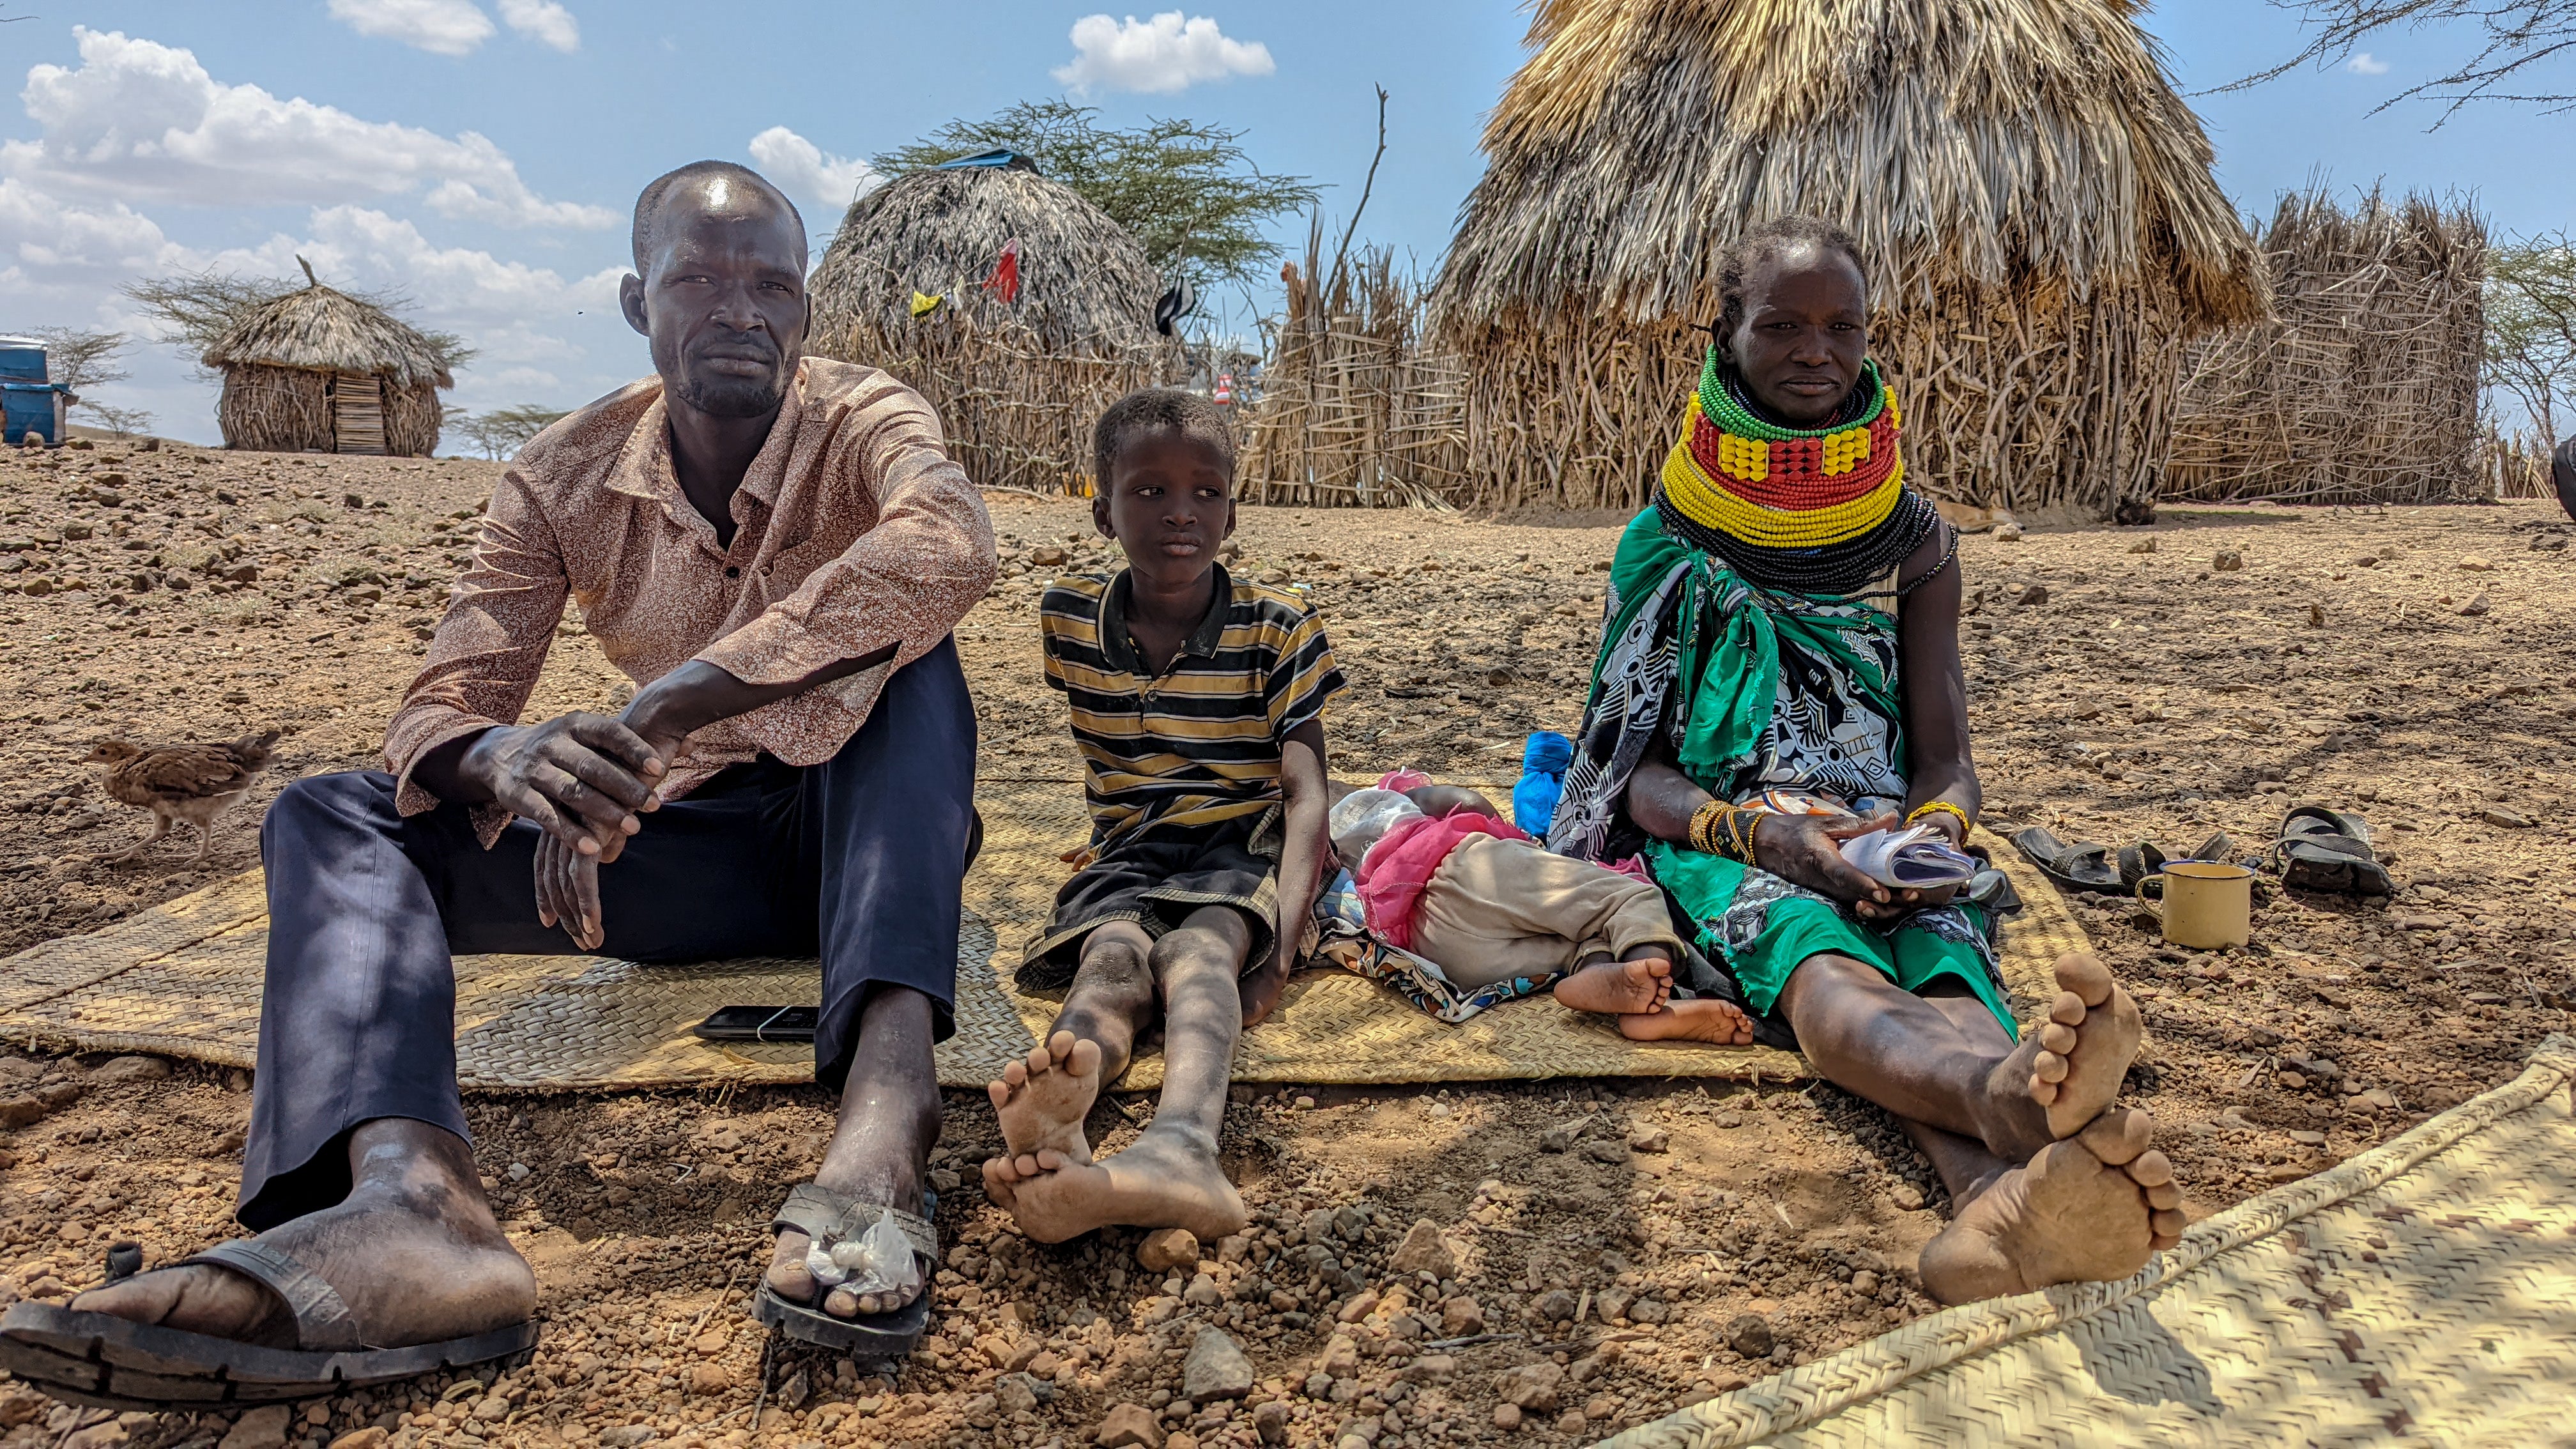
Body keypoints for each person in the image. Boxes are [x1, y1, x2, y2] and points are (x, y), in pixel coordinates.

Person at [24, 161, 995, 1392]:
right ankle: (414, 1203)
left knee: (914, 652)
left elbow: (952, 538)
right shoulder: (561, 472)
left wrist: (675, 695)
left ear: (806, 311)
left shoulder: (865, 420)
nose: (740, 309)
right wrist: (517, 760)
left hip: (861, 852)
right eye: (700, 278)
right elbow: (443, 702)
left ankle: (885, 1128)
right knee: (328, 809)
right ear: (638, 298)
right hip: (657, 854)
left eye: (772, 284)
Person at [1547, 216, 2184, 1303]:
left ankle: (1988, 1196)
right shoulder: (1669, 542)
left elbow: (1946, 762)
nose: (1815, 350)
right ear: (1725, 333)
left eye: (1843, 326)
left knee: (1938, 950)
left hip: (1882, 829)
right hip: (1728, 828)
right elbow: (1631, 777)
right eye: (1782, 325)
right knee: (1815, 956)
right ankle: (2007, 1110)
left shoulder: (1916, 540)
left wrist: (1923, 842)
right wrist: (1774, 839)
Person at [981, 390, 1338, 1245]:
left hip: (1238, 842)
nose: (1182, 512)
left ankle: (1183, 1145)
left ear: (1233, 510)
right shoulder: (1068, 619)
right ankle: (1065, 1105)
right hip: (1129, 849)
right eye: (1149, 492)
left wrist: (1280, 952)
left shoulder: (1278, 627)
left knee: (1202, 950)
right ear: (1102, 512)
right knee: (1109, 962)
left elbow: (1307, 797)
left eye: (1206, 492)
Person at [1326, 785, 1756, 1042]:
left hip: (1438, 949)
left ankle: (1608, 980)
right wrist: (1515, 838)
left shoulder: (1318, 850)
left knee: (1577, 943)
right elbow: (1467, 800)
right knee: (1625, 898)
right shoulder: (1384, 797)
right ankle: (1645, 963)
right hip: (1464, 870)